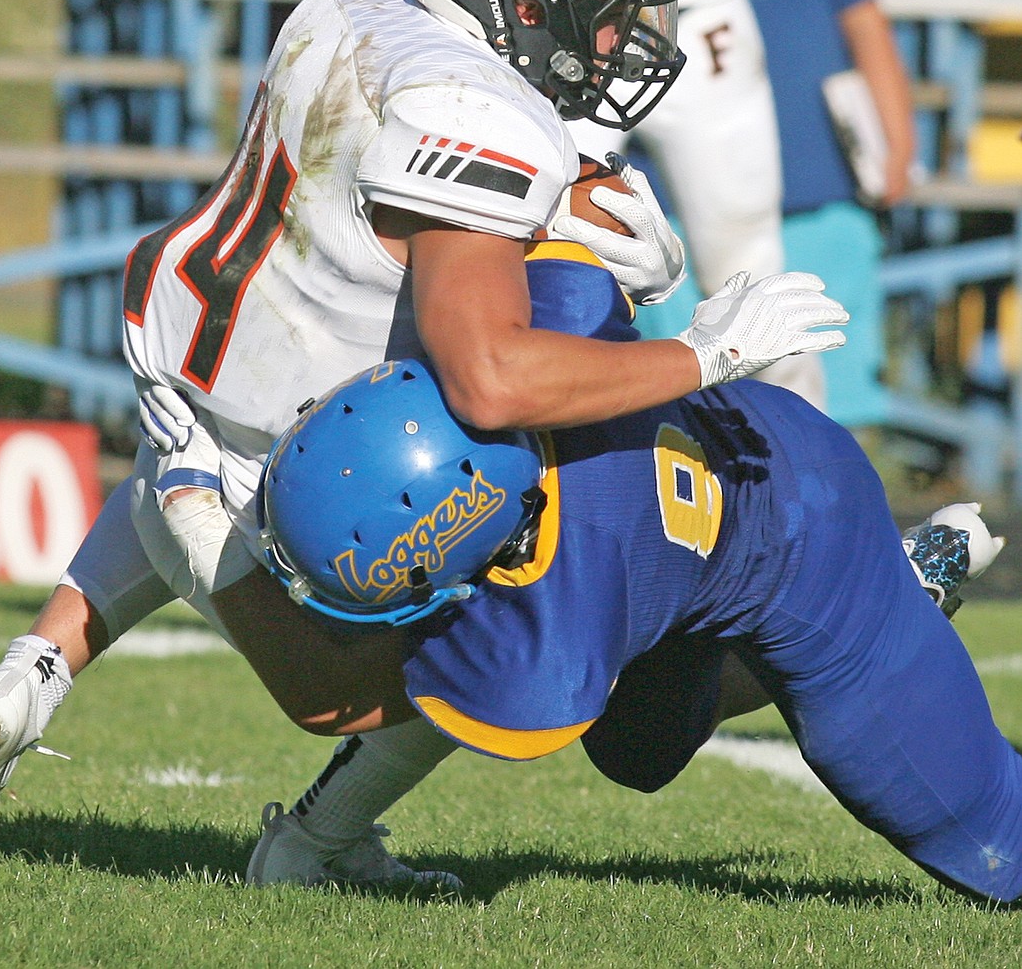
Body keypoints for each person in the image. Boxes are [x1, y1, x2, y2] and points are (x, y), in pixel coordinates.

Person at [0, 0, 846, 883]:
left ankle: (31, 670)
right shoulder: (478, 111)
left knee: (184, 463)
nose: (622, 39)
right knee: (500, 639)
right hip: (328, 449)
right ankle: (316, 842)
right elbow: (490, 369)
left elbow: (412, 148)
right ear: (522, 4)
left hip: (194, 359)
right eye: (605, 12)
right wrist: (705, 348)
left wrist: (578, 194)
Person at [251, 241, 1018, 904]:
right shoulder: (532, 341)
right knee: (639, 750)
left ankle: (907, 581)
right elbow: (569, 269)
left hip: (818, 548)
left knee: (999, 846)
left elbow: (383, 689)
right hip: (738, 447)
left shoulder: (547, 646)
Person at [502, 0, 834, 404]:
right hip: (562, 27)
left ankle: (799, 463)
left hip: (692, 14)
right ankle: (561, 459)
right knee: (535, 244)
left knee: (744, 259)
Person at [720, 0, 917, 426]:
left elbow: (866, 24)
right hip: (684, 203)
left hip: (818, 191)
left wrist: (897, 147)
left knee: (830, 408)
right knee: (697, 411)